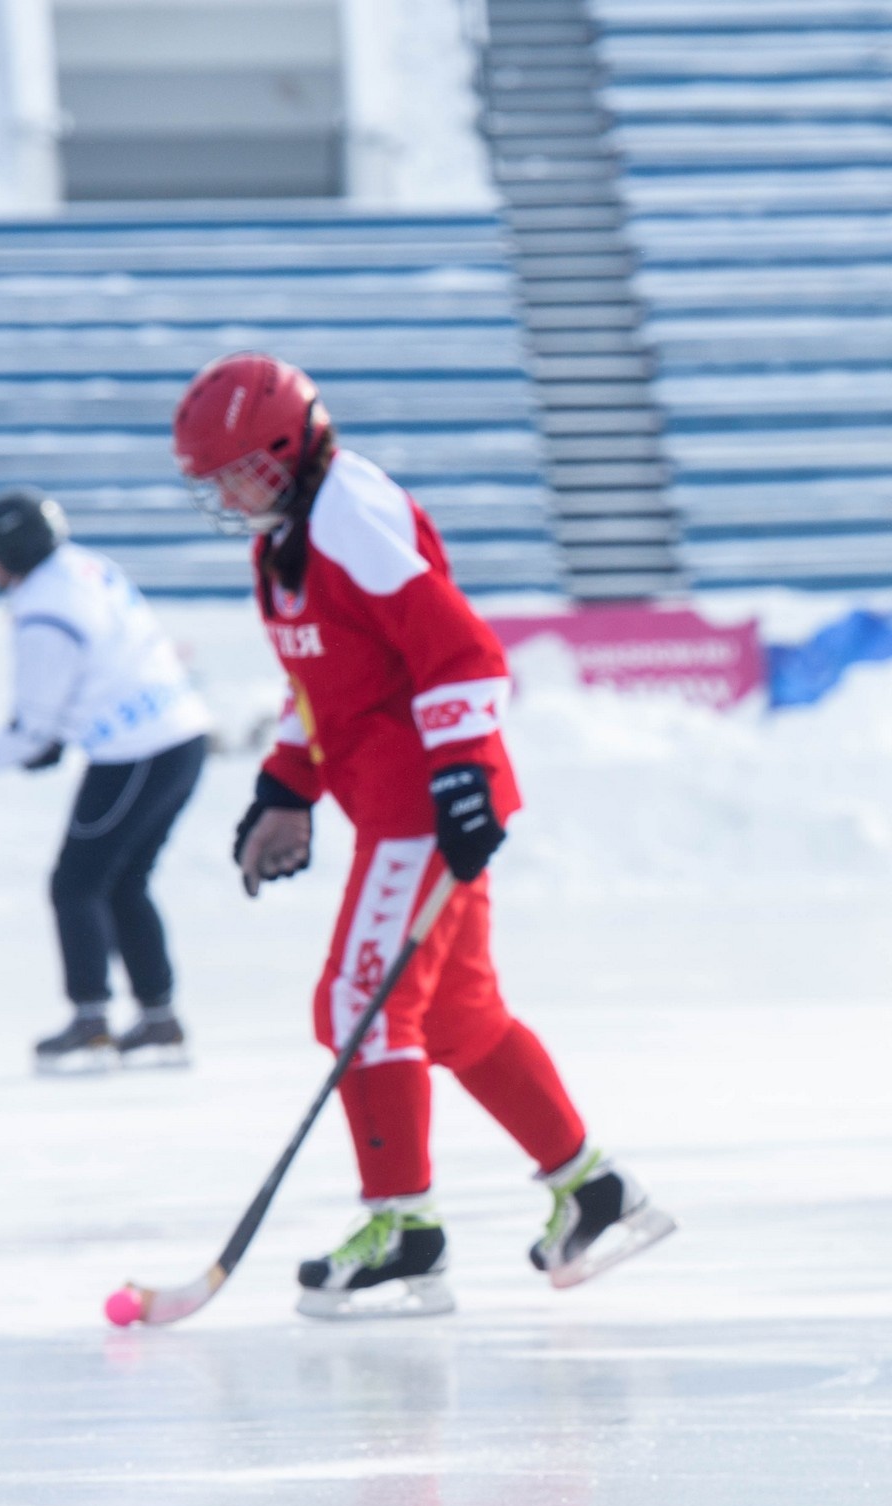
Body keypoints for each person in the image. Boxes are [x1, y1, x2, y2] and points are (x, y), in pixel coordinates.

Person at [170, 351, 673, 1320]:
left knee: (359, 997)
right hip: (391, 801)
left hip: (427, 810)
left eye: (236, 471)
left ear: (286, 448)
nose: (227, 494)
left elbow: (463, 651)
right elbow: (323, 686)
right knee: (456, 1017)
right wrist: (286, 783)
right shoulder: (283, 543)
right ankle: (594, 1190)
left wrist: (465, 777)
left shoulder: (349, 517)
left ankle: (405, 1229)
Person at [0, 489, 210, 1073]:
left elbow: (32, 725)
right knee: (124, 881)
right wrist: (53, 735)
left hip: (137, 750)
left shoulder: (43, 611)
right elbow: (98, 668)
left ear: (14, 551)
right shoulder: (81, 566)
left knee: (75, 885)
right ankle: (159, 1018)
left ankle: (91, 1021)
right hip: (177, 738)